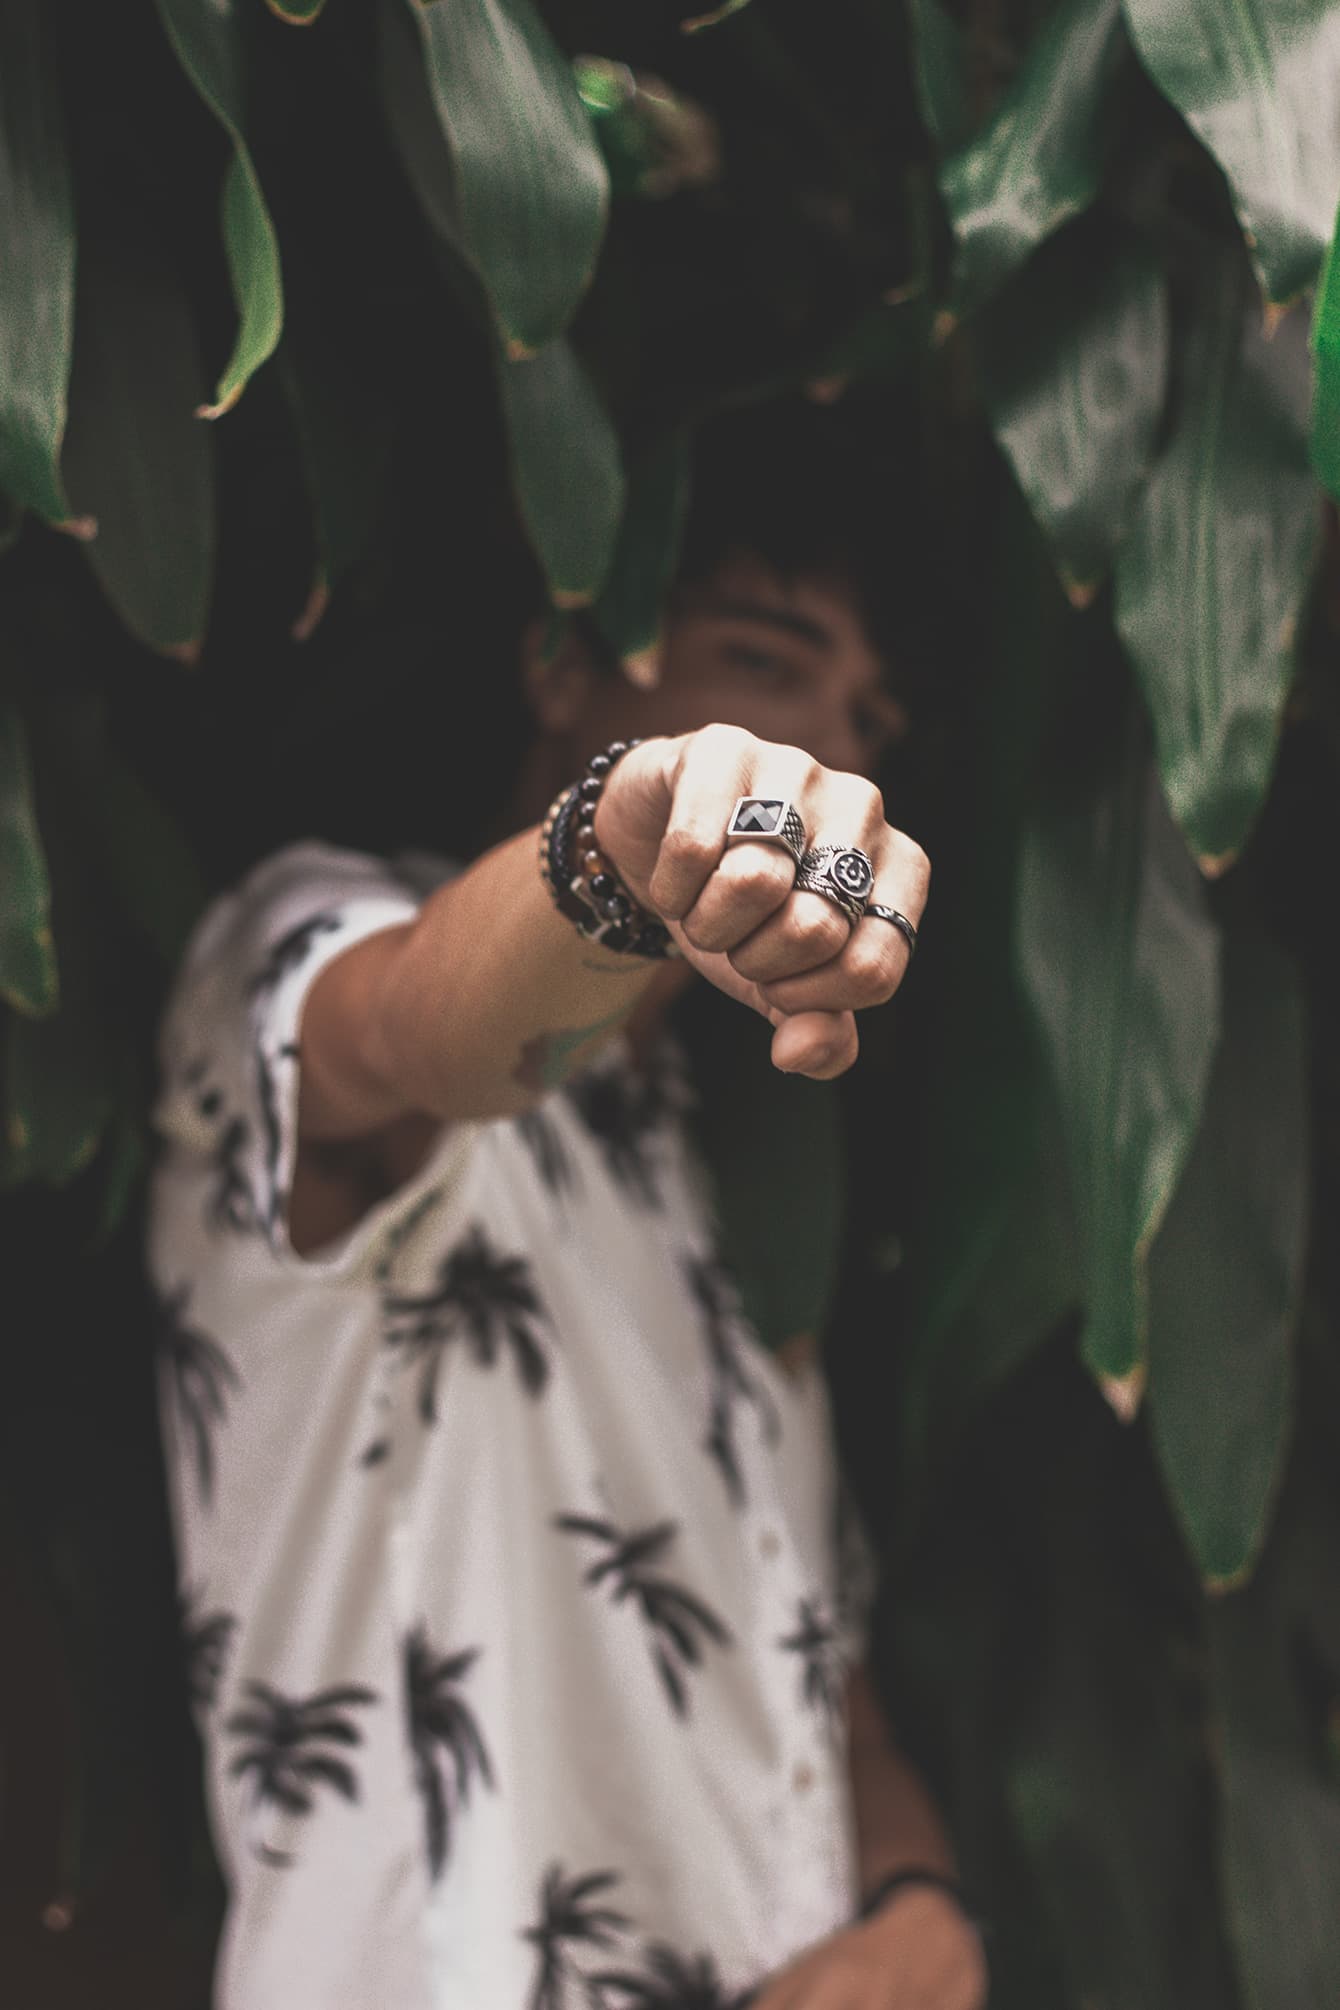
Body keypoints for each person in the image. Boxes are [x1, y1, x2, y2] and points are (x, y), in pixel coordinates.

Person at [148, 404, 987, 2010]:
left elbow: (829, 1684)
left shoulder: (736, 1187)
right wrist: (624, 837)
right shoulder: (295, 939)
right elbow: (409, 1029)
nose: (834, 749)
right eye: (763, 661)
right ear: (561, 659)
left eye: (867, 710)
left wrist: (920, 1903)